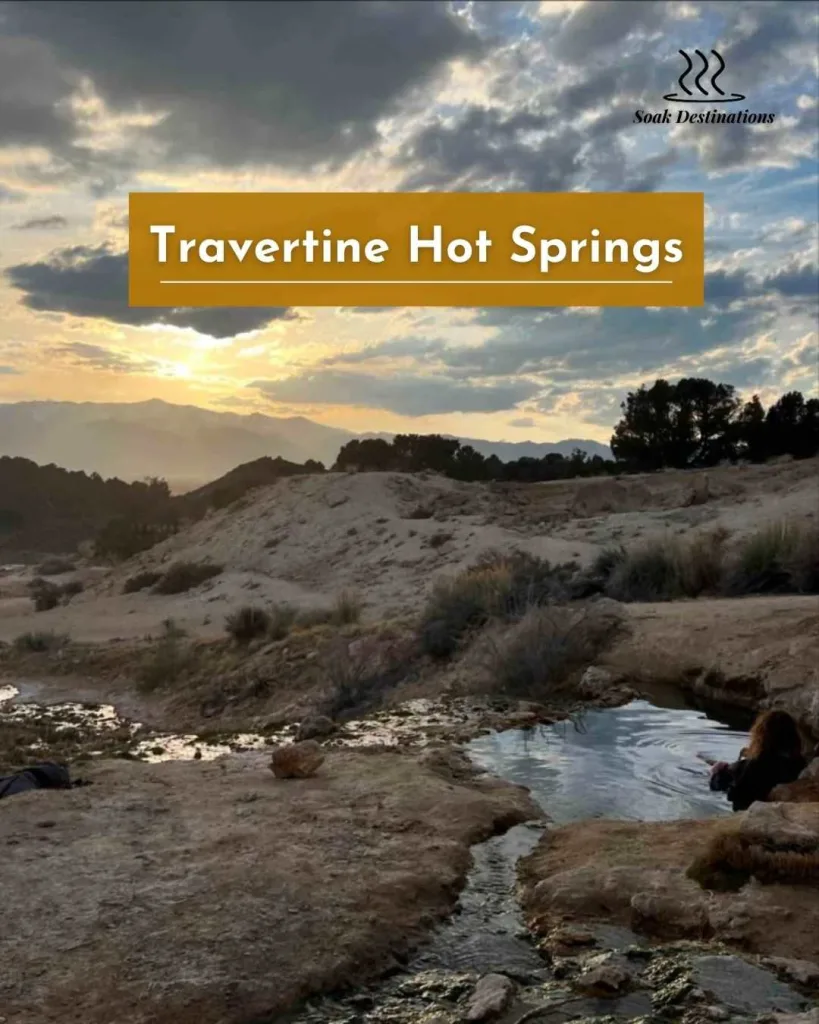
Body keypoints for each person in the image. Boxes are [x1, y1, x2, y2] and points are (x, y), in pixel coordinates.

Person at [709, 710, 807, 812]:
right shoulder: (799, 763)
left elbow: (734, 794)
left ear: (761, 736)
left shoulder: (755, 766)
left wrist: (714, 775)